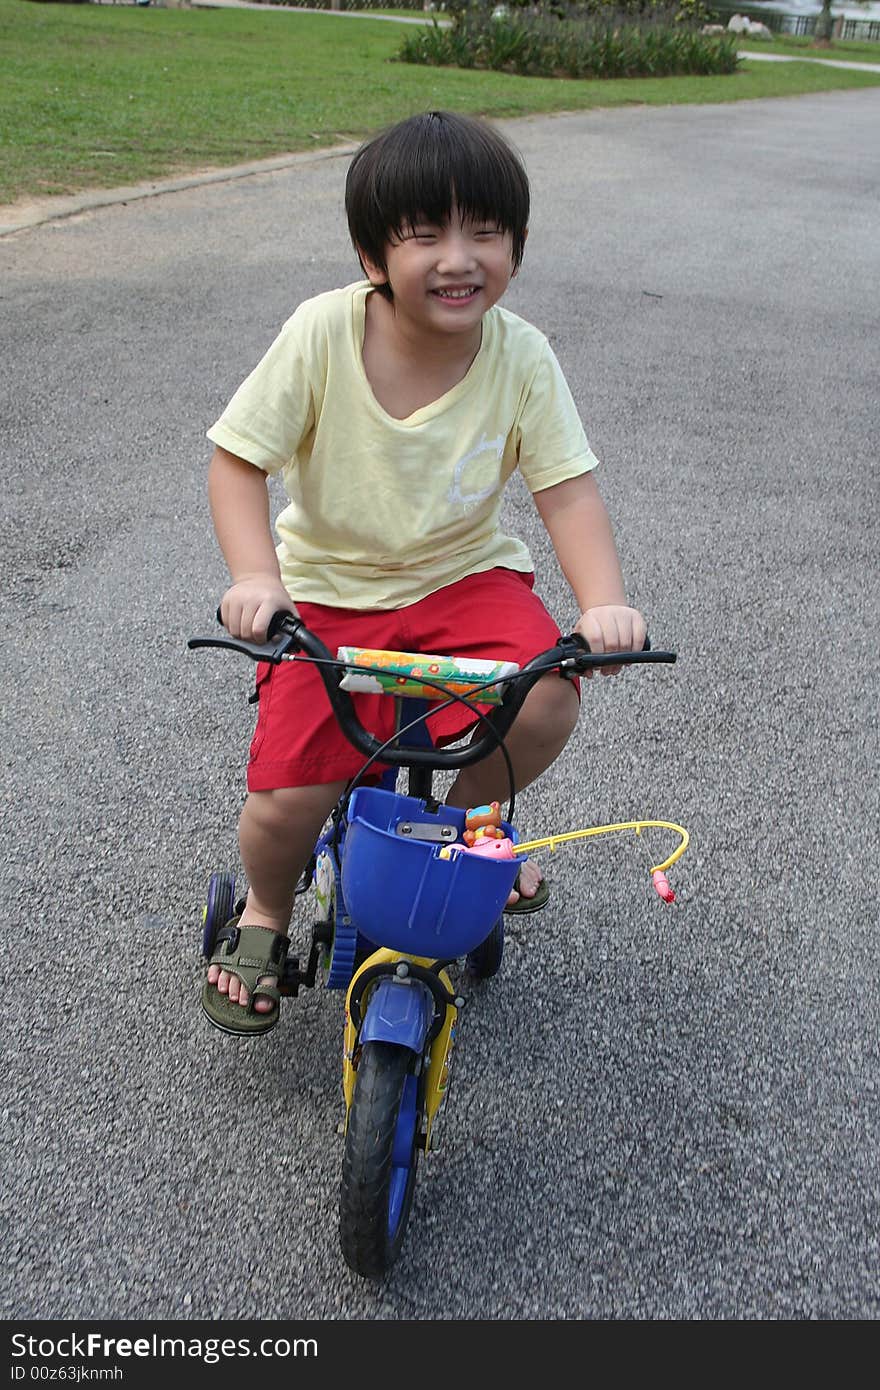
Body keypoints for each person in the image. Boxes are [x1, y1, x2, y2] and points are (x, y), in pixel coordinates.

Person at [202, 109, 646, 1036]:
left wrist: (602, 605)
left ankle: (472, 826)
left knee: (548, 693)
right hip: (328, 589)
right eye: (426, 234)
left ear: (516, 249)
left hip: (463, 581)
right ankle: (266, 913)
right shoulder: (323, 332)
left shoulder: (521, 354)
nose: (460, 257)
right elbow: (238, 461)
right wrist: (257, 577)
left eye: (485, 231)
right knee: (289, 798)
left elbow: (566, 490)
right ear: (373, 257)